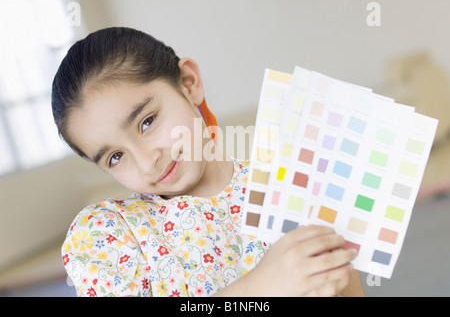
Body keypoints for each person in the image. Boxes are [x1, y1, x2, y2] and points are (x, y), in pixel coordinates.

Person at [52, 27, 365, 297]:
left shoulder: (290, 187)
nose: (148, 162)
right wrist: (258, 287)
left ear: (188, 83)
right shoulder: (107, 233)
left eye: (147, 122)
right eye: (116, 157)